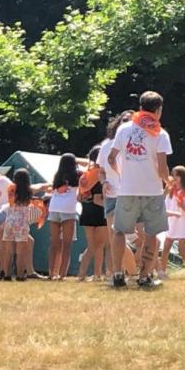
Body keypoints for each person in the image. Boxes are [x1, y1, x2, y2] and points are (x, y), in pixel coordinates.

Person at [108, 92, 173, 289]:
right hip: (152, 190)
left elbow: (111, 158)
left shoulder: (124, 129)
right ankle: (144, 276)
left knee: (119, 231)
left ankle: (118, 274)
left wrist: (122, 175)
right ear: (158, 109)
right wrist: (168, 181)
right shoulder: (160, 134)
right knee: (151, 233)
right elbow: (162, 168)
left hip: (127, 189)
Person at [97, 110, 133, 277]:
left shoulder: (137, 144)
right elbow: (101, 170)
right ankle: (123, 272)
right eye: (124, 120)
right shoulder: (106, 146)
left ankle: (134, 272)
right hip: (111, 195)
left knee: (126, 235)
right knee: (115, 238)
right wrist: (103, 182)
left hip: (130, 194)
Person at [2, 169, 45, 281]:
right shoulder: (29, 190)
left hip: (9, 220)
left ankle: (6, 275)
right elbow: (40, 187)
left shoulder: (10, 189)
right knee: (21, 251)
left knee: (9, 251)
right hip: (21, 222)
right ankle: (20, 275)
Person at [160, 166, 185, 280]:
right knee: (166, 247)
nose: (174, 177)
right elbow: (164, 205)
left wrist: (182, 206)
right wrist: (165, 192)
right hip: (171, 223)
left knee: (181, 250)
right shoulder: (170, 191)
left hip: (183, 224)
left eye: (177, 175)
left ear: (182, 177)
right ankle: (162, 272)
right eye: (173, 175)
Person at [47, 153, 82, 280]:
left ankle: (51, 273)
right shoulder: (77, 176)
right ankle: (62, 274)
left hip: (54, 208)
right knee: (67, 244)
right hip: (68, 210)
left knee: (54, 243)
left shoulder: (57, 177)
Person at [77, 146, 108, 281]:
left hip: (86, 211)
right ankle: (92, 274)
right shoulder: (101, 174)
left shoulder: (85, 175)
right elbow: (99, 198)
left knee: (92, 246)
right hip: (100, 211)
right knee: (98, 245)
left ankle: (87, 274)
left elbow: (79, 197)